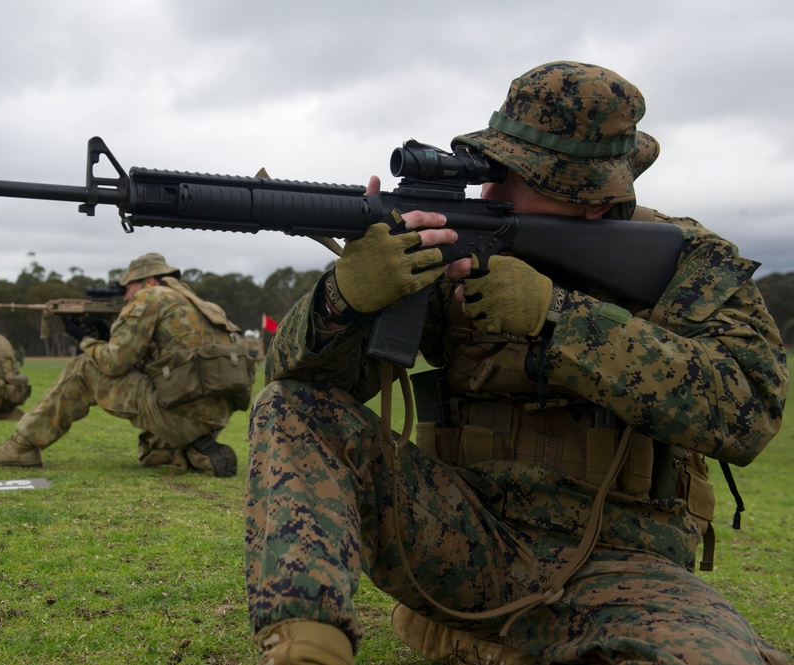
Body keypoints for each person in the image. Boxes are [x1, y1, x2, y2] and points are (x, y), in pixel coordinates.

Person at [245, 62, 790, 664]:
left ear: (592, 199)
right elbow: (307, 394)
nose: (488, 191)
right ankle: (307, 646)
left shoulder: (690, 264)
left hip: (624, 571)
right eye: (489, 170)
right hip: (461, 541)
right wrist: (343, 299)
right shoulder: (451, 251)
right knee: (290, 405)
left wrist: (558, 317)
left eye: (513, 176)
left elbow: (748, 411)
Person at [0, 253, 256, 478]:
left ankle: (22, 446)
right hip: (212, 418)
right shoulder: (206, 306)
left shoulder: (151, 296)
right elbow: (166, 360)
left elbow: (114, 364)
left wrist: (85, 340)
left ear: (148, 281)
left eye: (128, 288)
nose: (125, 297)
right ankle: (196, 451)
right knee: (150, 453)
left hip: (177, 415)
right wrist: (109, 335)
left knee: (84, 367)